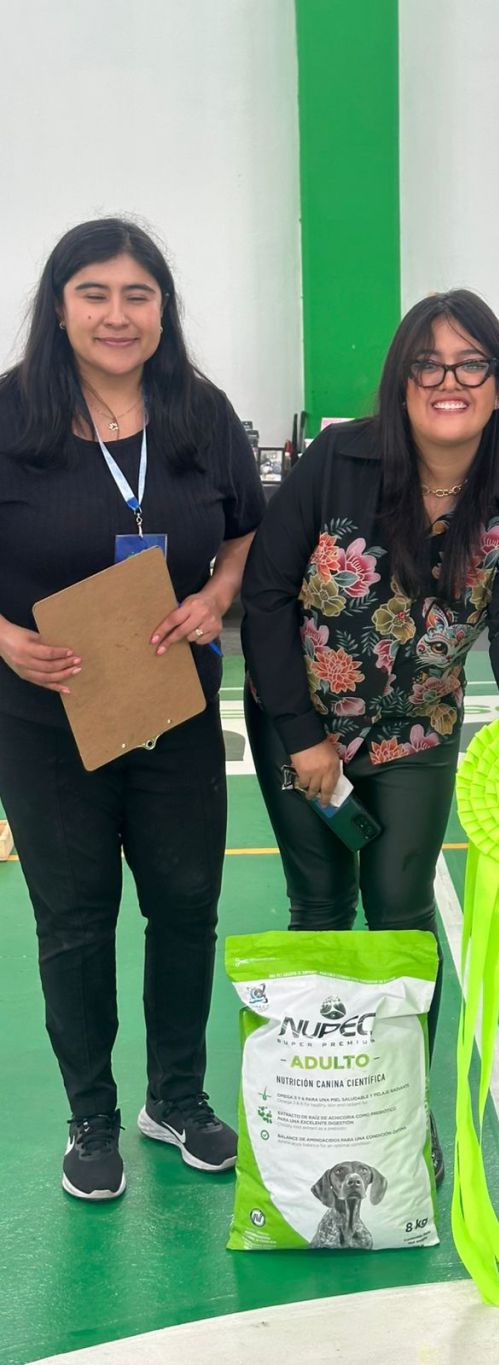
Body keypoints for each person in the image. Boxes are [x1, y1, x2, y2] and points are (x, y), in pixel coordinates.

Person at [241, 289, 499, 1185]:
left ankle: (397, 1109)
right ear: (402, 381)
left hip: (418, 731)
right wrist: (302, 735)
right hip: (301, 724)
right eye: (428, 364)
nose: (449, 380)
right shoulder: (338, 460)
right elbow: (267, 594)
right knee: (321, 907)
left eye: (471, 363)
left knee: (401, 914)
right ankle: (322, 1110)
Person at [0, 219, 264, 1201]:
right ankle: (91, 1116)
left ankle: (177, 1099)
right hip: (46, 717)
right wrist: (3, 637)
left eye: (137, 295)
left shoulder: (200, 411)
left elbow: (245, 530)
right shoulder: (10, 415)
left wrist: (217, 594)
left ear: (162, 309)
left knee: (186, 906)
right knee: (74, 920)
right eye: (95, 293)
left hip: (172, 706)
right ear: (59, 306)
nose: (117, 315)